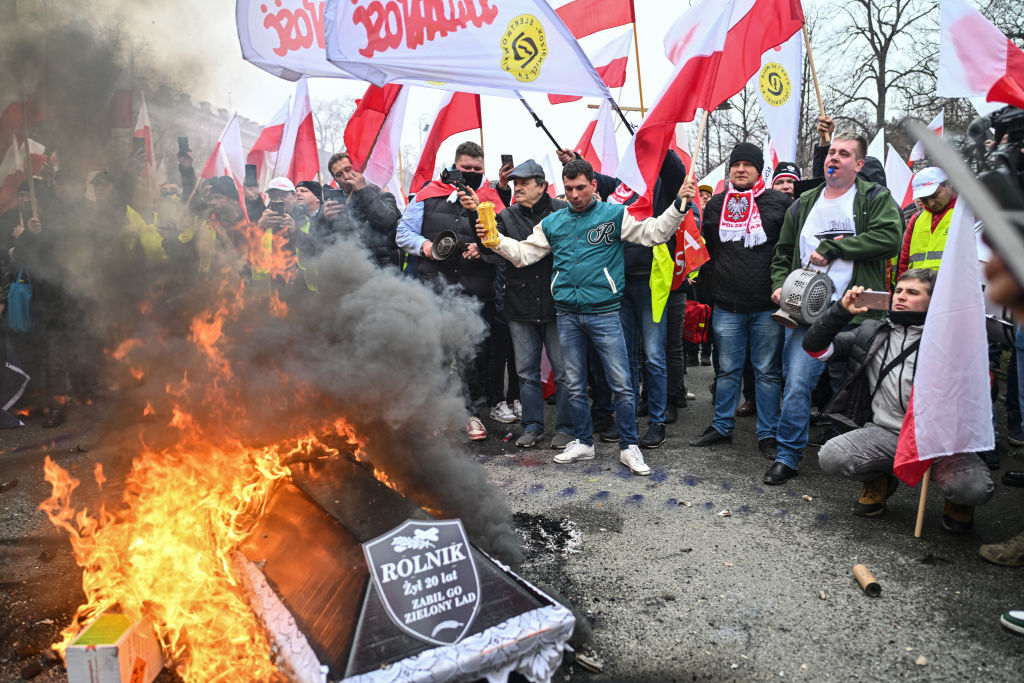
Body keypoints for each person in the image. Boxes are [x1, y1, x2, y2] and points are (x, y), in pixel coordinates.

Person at [473, 158, 695, 475]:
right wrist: (494, 239)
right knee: (575, 385)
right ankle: (584, 441)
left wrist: (679, 205)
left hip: (605, 313)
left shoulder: (614, 215)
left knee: (622, 384)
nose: (575, 195)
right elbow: (523, 254)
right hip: (566, 315)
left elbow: (654, 233)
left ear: (593, 185)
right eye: (569, 189)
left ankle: (629, 446)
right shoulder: (553, 222)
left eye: (580, 188)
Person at [808, 271, 994, 529]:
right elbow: (815, 348)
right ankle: (879, 482)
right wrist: (841, 311)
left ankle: (958, 501)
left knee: (973, 488)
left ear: (934, 301)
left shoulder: (954, 341)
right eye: (899, 291)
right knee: (832, 456)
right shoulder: (871, 332)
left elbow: (984, 395)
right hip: (887, 433)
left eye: (913, 292)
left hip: (944, 442)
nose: (901, 297)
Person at [768, 133, 902, 485]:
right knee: (797, 384)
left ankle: (867, 464)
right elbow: (783, 253)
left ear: (858, 164)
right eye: (831, 152)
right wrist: (779, 285)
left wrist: (836, 248)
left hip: (860, 312)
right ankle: (787, 456)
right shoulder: (804, 203)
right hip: (808, 314)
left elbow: (890, 239)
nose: (834, 158)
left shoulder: (874, 197)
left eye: (844, 154)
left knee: (862, 389)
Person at [395, 141, 506, 440]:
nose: (471, 173)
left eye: (477, 169)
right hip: (435, 289)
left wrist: (482, 248)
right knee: (436, 354)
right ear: (455, 166)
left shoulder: (491, 199)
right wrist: (425, 245)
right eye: (465, 167)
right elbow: (402, 232)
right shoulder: (428, 194)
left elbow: (502, 241)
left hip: (476, 292)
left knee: (474, 358)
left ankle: (471, 415)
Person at [690, 142, 791, 459]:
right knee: (727, 371)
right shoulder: (716, 204)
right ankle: (721, 426)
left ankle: (768, 433)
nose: (741, 169)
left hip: (766, 307)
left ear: (759, 170)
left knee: (767, 372)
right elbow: (709, 252)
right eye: (736, 165)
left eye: (748, 164)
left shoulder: (780, 203)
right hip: (727, 306)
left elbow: (786, 252)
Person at [486, 159, 573, 449]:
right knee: (525, 373)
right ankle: (533, 426)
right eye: (515, 183)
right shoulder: (505, 216)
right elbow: (492, 247)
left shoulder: (562, 211)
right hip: (520, 305)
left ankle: (567, 428)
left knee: (564, 373)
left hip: (557, 304)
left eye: (524, 183)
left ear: (542, 186)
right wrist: (478, 220)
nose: (518, 188)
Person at [323, 152, 403, 268]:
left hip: (383, 272)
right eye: (339, 174)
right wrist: (325, 220)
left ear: (357, 169)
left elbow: (387, 221)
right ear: (335, 179)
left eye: (348, 169)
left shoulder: (382, 195)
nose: (346, 176)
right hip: (352, 271)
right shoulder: (334, 205)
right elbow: (324, 242)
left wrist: (363, 191)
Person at [897, 167, 957, 276]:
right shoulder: (916, 219)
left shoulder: (966, 215)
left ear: (948, 185)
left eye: (935, 195)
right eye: (924, 200)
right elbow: (904, 262)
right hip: (919, 285)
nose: (931, 203)